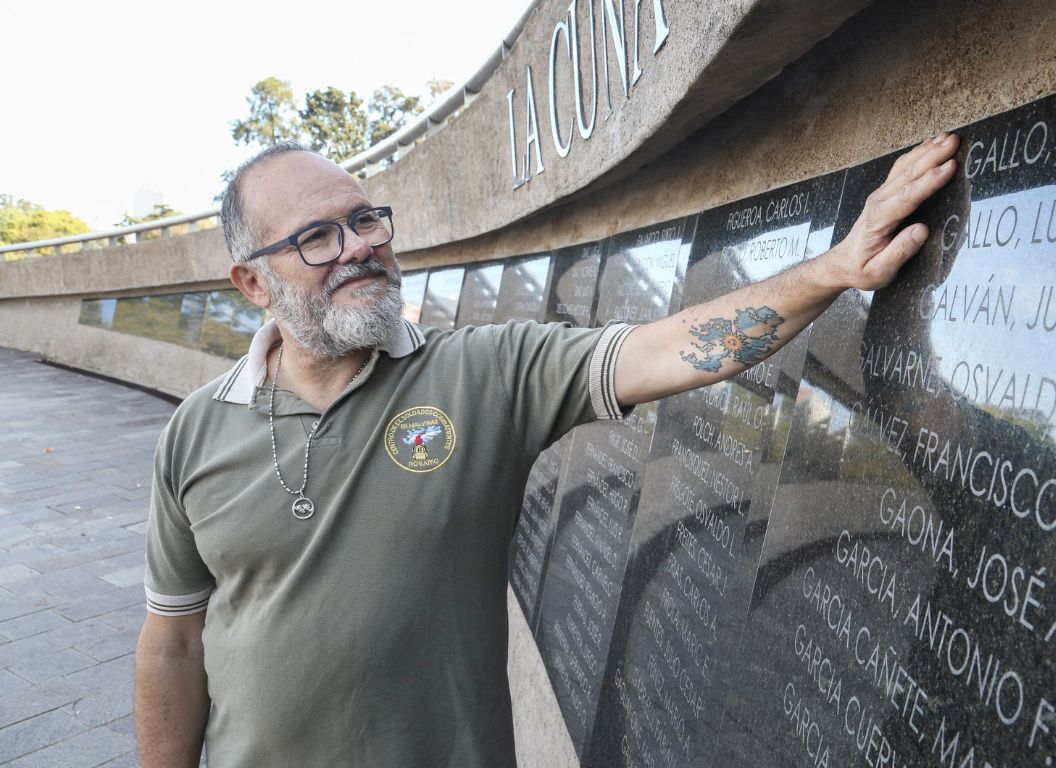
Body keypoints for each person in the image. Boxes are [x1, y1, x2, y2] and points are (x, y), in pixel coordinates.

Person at [134, 132, 961, 767]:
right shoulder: (197, 432)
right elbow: (172, 639)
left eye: (364, 220)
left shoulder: (486, 371)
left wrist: (832, 269)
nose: (357, 246)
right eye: (316, 237)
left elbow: (668, 348)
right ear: (252, 282)